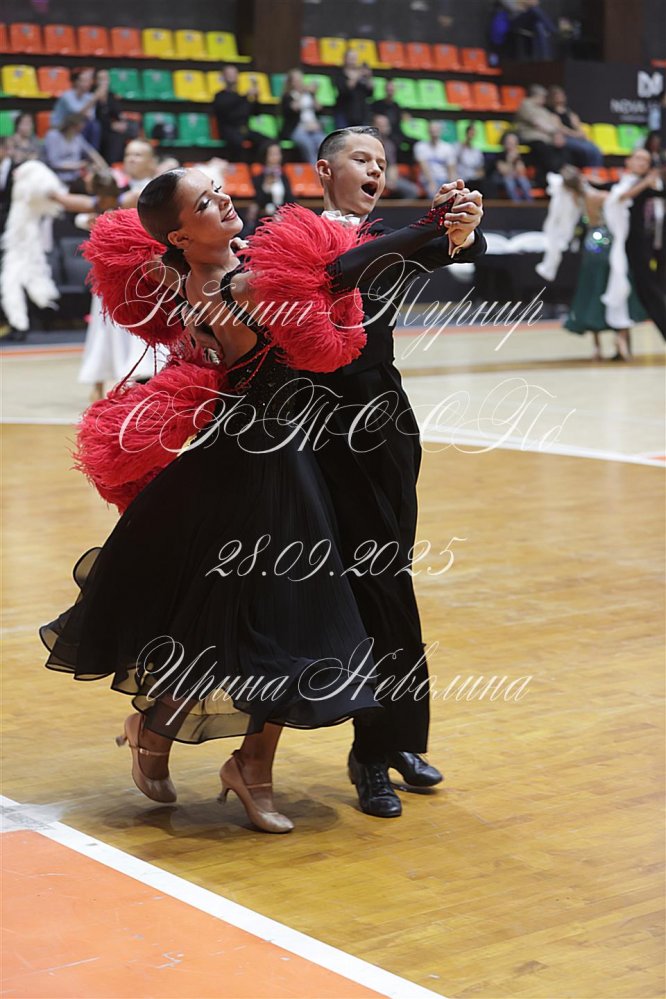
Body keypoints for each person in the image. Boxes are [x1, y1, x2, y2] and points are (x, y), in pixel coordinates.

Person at [41, 167, 467, 832]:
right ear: (181, 234)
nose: (224, 201)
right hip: (257, 466)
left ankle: (223, 757)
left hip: (281, 456)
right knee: (267, 625)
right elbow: (341, 272)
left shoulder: (193, 272)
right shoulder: (235, 285)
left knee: (264, 627)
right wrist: (427, 228)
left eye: (219, 190)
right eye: (205, 203)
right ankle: (181, 740)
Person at [310, 126, 486, 816]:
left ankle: (400, 738)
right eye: (361, 158)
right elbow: (343, 270)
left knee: (393, 578)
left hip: (386, 420)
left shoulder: (386, 237)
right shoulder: (293, 235)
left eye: (382, 162)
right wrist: (429, 229)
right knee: (363, 587)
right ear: (324, 170)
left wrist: (458, 228)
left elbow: (441, 251)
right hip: (324, 425)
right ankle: (369, 753)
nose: (376, 169)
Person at [561, 167, 644, 360]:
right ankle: (621, 337)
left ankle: (597, 347)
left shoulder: (577, 198)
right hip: (606, 242)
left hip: (591, 243)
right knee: (615, 283)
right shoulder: (598, 196)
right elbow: (620, 197)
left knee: (592, 288)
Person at [621, 148, 666, 339]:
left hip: (659, 246)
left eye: (645, 160)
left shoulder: (656, 184)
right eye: (638, 158)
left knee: (656, 292)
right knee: (648, 293)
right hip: (636, 249)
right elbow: (623, 196)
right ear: (628, 161)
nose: (641, 163)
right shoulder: (627, 185)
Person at [514, 84, 568, 181]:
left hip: (546, 138)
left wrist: (557, 134)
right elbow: (537, 123)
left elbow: (553, 123)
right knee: (543, 148)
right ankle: (554, 175)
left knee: (562, 147)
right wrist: (554, 132)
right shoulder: (526, 104)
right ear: (537, 95)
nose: (545, 99)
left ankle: (560, 174)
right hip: (530, 137)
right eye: (543, 97)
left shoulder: (542, 110)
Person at [211, 65, 263, 163]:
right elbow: (225, 110)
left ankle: (256, 166)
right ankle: (238, 167)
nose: (232, 76)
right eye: (229, 74)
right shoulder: (219, 96)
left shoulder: (242, 97)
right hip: (228, 131)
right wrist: (245, 96)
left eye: (234, 74)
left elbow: (256, 113)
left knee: (266, 141)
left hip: (244, 130)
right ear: (223, 77)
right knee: (237, 142)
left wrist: (256, 99)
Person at [43, 113, 108, 187]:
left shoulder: (77, 137)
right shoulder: (53, 136)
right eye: (79, 128)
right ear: (72, 126)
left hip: (75, 179)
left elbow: (91, 152)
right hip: (56, 178)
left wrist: (104, 167)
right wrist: (78, 165)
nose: (81, 130)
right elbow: (53, 163)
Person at [546, 86, 603, 167]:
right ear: (552, 98)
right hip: (564, 137)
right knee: (587, 148)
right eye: (557, 96)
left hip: (575, 137)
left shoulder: (569, 112)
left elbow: (577, 125)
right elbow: (560, 128)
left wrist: (580, 133)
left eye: (561, 95)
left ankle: (594, 170)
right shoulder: (550, 112)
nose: (560, 98)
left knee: (595, 148)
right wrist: (575, 134)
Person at [244, 141, 293, 233]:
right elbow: (258, 202)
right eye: (272, 154)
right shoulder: (258, 179)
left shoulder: (284, 178)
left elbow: (291, 200)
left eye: (278, 154)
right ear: (265, 156)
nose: (276, 157)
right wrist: (267, 186)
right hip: (264, 220)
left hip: (282, 219)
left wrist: (283, 214)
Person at [50, 67, 103, 150]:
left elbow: (90, 117)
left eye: (89, 80)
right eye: (85, 80)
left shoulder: (89, 97)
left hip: (79, 127)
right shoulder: (67, 96)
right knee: (80, 124)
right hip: (61, 128)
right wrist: (94, 99)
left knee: (94, 126)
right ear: (76, 82)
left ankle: (92, 153)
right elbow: (77, 115)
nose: (88, 83)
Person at [280, 69, 325, 165]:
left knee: (323, 143)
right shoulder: (288, 96)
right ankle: (315, 168)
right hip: (296, 129)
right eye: (296, 80)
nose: (299, 82)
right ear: (291, 83)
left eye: (300, 80)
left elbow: (319, 108)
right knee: (307, 144)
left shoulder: (309, 95)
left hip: (313, 128)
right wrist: (302, 93)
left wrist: (313, 95)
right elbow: (294, 108)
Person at [372, 114, 420, 198]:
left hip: (387, 178)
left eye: (386, 125)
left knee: (413, 191)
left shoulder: (390, 145)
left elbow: (392, 165)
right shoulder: (369, 144)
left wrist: (392, 180)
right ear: (373, 126)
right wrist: (383, 180)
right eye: (381, 125)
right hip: (372, 177)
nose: (385, 127)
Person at [94, 68, 134, 165]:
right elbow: (95, 116)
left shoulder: (111, 95)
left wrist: (122, 121)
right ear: (95, 81)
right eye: (101, 79)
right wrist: (111, 125)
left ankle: (121, 163)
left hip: (110, 128)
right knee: (111, 137)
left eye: (106, 79)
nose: (104, 82)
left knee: (129, 128)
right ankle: (111, 164)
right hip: (98, 127)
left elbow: (117, 112)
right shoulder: (91, 95)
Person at [414, 120, 457, 199]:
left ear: (441, 131)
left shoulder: (448, 147)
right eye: (432, 129)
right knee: (433, 193)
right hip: (427, 180)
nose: (434, 131)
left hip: (444, 180)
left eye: (436, 129)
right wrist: (431, 182)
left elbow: (451, 170)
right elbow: (424, 167)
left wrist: (452, 185)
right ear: (428, 131)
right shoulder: (420, 146)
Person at [333, 50, 374, 128]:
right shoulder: (339, 73)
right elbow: (344, 90)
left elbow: (370, 93)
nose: (353, 60)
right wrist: (357, 75)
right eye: (350, 58)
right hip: (344, 112)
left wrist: (369, 78)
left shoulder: (362, 75)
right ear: (345, 59)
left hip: (360, 112)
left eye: (354, 58)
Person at [491, 130, 533, 200]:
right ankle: (516, 204)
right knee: (509, 181)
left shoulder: (519, 155)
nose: (511, 145)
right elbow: (504, 172)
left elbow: (521, 172)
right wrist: (510, 160)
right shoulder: (500, 156)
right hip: (502, 178)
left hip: (516, 177)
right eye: (509, 142)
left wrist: (517, 159)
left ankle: (529, 203)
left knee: (523, 180)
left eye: (513, 143)